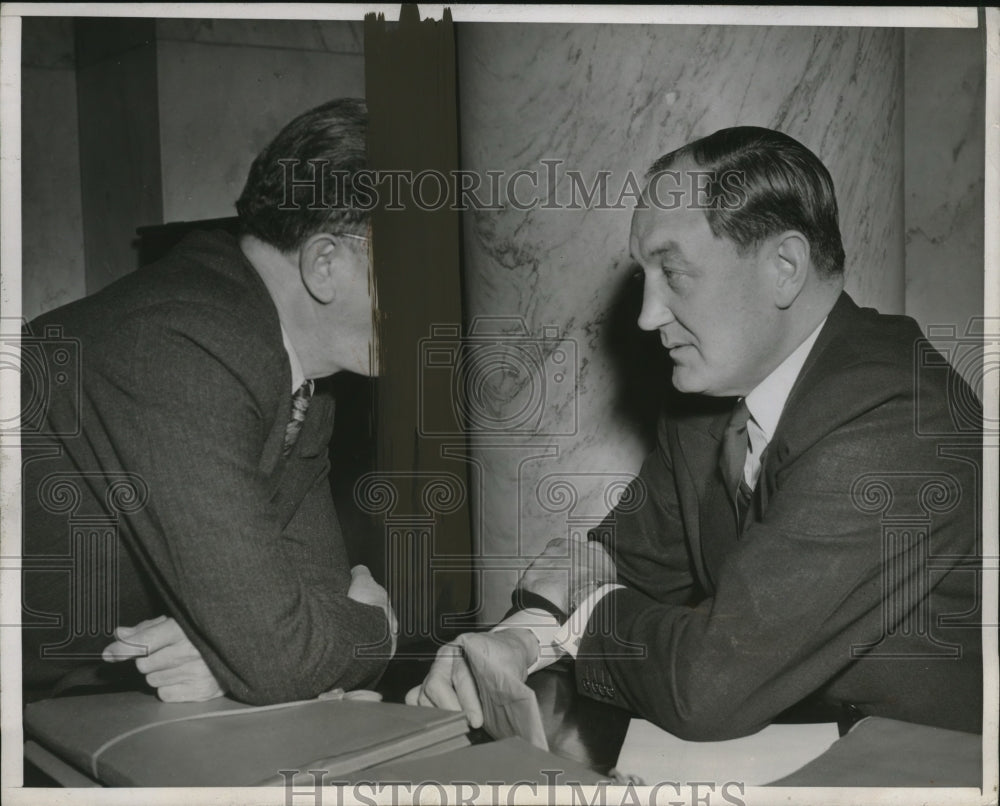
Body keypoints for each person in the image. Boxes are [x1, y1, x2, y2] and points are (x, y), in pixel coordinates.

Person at [407, 126, 982, 739]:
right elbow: (626, 556)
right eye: (644, 276)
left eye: (674, 274)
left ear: (784, 267)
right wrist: (515, 640)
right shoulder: (712, 403)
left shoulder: (895, 418)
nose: (647, 315)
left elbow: (706, 686)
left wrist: (582, 614)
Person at [21, 98, 396, 705]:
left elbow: (307, 606)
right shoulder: (181, 343)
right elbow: (280, 656)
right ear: (324, 263)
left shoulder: (296, 376)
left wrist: (229, 652)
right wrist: (377, 630)